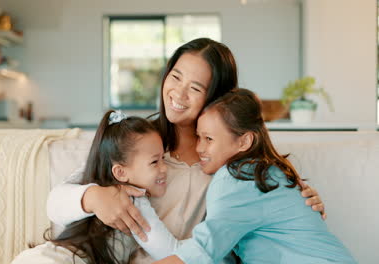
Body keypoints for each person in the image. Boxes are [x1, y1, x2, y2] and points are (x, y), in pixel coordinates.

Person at [47, 38, 326, 263]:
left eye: (195, 88)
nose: (178, 94)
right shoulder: (143, 142)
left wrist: (302, 203)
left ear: (217, 98)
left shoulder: (237, 168)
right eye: (175, 77)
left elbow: (278, 216)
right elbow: (56, 203)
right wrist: (93, 196)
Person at [152, 89, 356, 264]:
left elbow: (203, 250)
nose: (200, 148)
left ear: (244, 142)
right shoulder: (265, 171)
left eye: (209, 139)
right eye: (199, 137)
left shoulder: (236, 177)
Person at [12, 110, 177, 263]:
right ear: (120, 172)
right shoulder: (135, 201)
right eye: (155, 162)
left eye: (163, 158)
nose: (164, 168)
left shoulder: (94, 178)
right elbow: (169, 252)